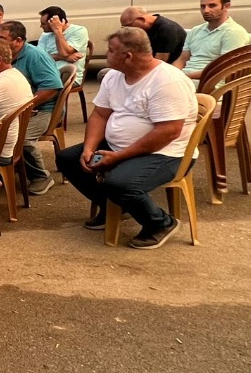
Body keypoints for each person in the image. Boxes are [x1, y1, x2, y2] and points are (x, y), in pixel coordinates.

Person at [56, 27, 198, 249]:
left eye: (111, 50)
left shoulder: (167, 81)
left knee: (120, 183)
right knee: (68, 159)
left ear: (128, 56)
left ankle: (160, 223)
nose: (107, 54)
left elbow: (168, 132)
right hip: (119, 146)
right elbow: (100, 114)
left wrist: (120, 156)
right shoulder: (114, 75)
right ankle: (116, 206)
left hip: (165, 152)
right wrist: (89, 148)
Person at [0, 21, 64, 195]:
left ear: (18, 41)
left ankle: (41, 177)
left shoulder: (35, 56)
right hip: (17, 108)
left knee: (20, 139)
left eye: (1, 38)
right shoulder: (2, 54)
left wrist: (25, 107)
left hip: (44, 109)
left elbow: (51, 88)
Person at [175, 0, 251, 78]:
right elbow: (182, 59)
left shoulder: (233, 32)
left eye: (212, 6)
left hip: (209, 81)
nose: (206, 10)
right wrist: (172, 74)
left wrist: (185, 77)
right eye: (203, 6)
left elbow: (222, 68)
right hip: (185, 77)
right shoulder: (195, 30)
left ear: (226, 6)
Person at [38, 6, 89, 83]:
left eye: (43, 24)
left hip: (68, 77)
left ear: (53, 23)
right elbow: (39, 57)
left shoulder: (79, 31)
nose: (41, 26)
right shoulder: (45, 35)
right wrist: (61, 57)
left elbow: (64, 52)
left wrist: (58, 30)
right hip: (47, 74)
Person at [120, 6, 187, 64]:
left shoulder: (166, 30)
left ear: (141, 20)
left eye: (128, 26)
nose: (127, 29)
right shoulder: (147, 27)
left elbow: (160, 61)